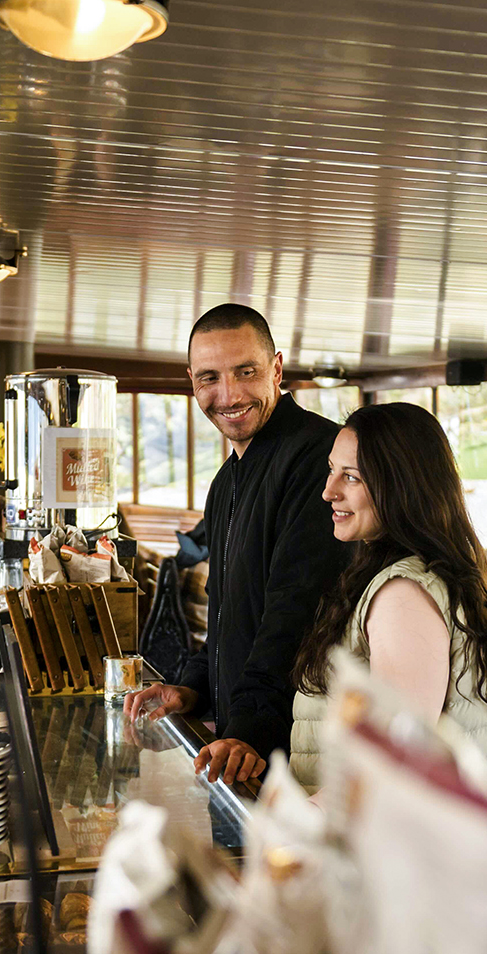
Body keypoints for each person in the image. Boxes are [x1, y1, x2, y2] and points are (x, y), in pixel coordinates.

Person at [124, 303, 348, 784]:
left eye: (245, 372)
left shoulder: (316, 459)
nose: (228, 395)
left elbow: (296, 614)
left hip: (296, 753)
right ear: (191, 381)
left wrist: (248, 729)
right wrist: (190, 688)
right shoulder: (225, 482)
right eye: (209, 378)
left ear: (277, 369)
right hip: (238, 747)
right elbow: (228, 613)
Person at [286, 402, 487, 828]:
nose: (329, 491)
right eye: (331, 469)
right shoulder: (400, 572)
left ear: (401, 488)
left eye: (352, 478)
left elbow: (393, 757)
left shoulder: (403, 594)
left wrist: (296, 823)